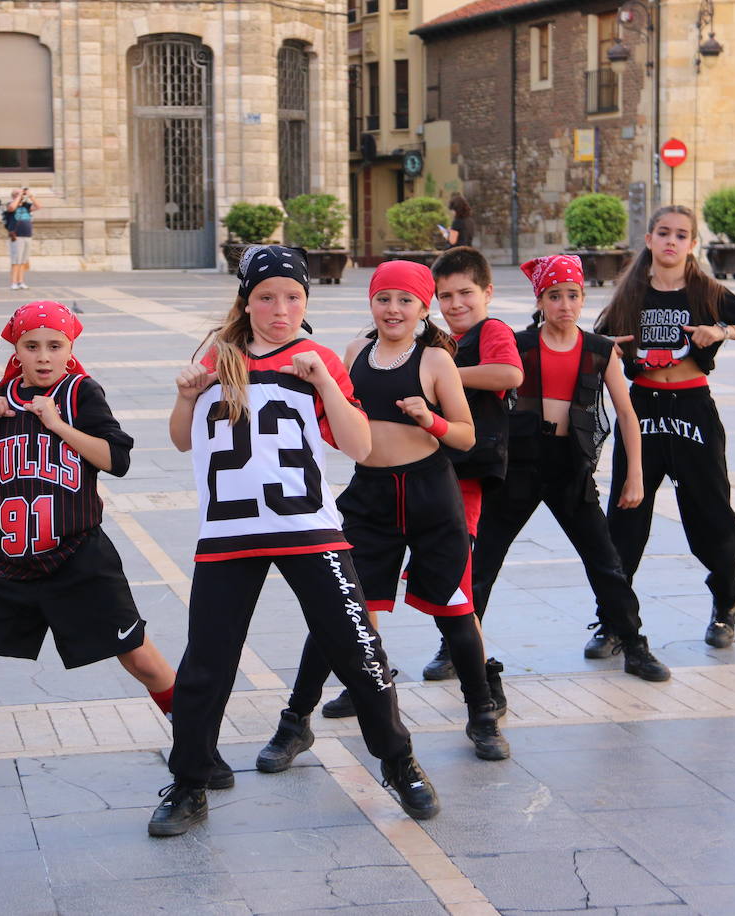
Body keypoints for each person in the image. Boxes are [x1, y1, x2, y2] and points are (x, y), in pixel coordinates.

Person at [149, 245, 440, 837]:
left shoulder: (318, 357)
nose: (279, 309)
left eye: (292, 298)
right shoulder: (219, 357)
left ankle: (399, 761)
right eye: (266, 297)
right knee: (207, 663)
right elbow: (182, 440)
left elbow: (359, 447)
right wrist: (184, 395)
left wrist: (326, 385)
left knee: (359, 649)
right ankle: (189, 782)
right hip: (230, 532)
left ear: (306, 301)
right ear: (246, 301)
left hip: (308, 525)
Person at [0, 301, 187, 798]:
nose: (43, 356)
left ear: (70, 349)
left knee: (142, 660)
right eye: (32, 346)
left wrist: (58, 425)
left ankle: (194, 746)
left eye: (54, 346)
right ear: (16, 350)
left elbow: (117, 459)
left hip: (78, 558)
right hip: (7, 564)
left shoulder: (81, 392)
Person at [255, 258, 510, 777]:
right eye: (383, 299)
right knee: (339, 610)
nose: (393, 309)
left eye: (405, 300)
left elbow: (465, 435)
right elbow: (337, 417)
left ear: (423, 307)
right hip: (369, 498)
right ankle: (295, 720)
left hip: (431, 496)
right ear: (371, 303)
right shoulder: (355, 352)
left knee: (456, 611)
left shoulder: (435, 359)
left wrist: (429, 417)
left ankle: (482, 713)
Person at [471, 255, 671, 683]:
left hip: (570, 466)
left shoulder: (600, 351)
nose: (565, 304)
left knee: (605, 560)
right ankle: (458, 646)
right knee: (484, 559)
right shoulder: (519, 345)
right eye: (554, 296)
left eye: (573, 295)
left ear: (583, 299)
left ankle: (633, 644)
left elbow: (627, 415)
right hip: (520, 465)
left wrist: (634, 473)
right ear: (541, 301)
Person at [594, 206, 735, 649]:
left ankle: (724, 606)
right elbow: (597, 343)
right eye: (663, 233)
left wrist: (723, 332)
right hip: (641, 410)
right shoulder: (630, 295)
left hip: (693, 407)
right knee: (625, 517)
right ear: (649, 239)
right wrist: (609, 350)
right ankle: (614, 619)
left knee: (710, 514)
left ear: (692, 243)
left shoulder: (707, 291)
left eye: (681, 235)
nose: (671, 241)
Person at [419, 247, 524, 701]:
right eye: (445, 295)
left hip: (470, 471)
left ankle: (480, 675)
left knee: (458, 573)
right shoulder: (441, 341)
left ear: (487, 292)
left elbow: (509, 374)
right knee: (445, 575)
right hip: (439, 468)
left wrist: (448, 374)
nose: (456, 303)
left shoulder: (492, 330)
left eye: (466, 293)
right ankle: (454, 649)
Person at [3, 188, 40, 290]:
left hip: (27, 235)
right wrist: (19, 196)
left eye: (20, 193)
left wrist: (31, 196)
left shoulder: (26, 205)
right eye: (16, 193)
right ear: (13, 195)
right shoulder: (9, 204)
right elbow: (12, 208)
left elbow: (38, 206)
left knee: (23, 260)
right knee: (16, 260)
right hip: (16, 236)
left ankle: (21, 281)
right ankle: (13, 282)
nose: (20, 195)